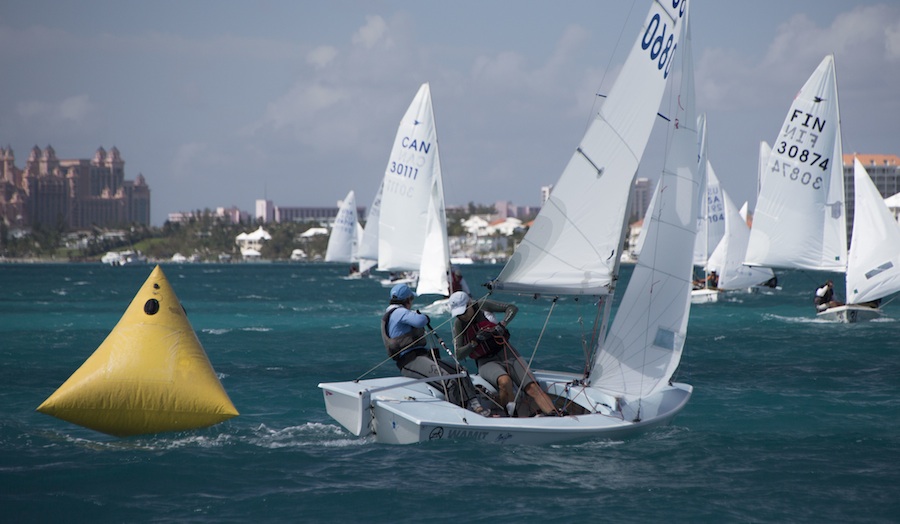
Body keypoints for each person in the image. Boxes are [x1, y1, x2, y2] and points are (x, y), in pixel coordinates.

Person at [381, 283, 488, 416]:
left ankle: (476, 407)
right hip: (410, 361)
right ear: (407, 300)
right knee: (449, 381)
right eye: (411, 299)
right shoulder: (399, 312)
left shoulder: (394, 313)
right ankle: (457, 416)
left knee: (461, 371)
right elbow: (420, 321)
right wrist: (424, 317)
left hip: (420, 357)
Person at [448, 291, 560, 417]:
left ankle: (555, 414)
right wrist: (475, 342)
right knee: (504, 381)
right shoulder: (459, 324)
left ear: (470, 304)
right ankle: (510, 415)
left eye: (464, 312)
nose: (462, 316)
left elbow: (512, 308)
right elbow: (459, 355)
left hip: (506, 352)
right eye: (458, 315)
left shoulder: (483, 306)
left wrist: (503, 324)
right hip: (486, 361)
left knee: (532, 387)